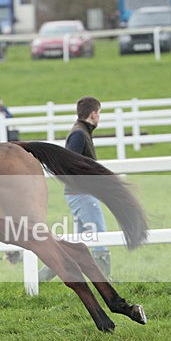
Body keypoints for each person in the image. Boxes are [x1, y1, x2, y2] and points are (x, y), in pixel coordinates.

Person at [39, 96, 111, 281]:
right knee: (99, 239)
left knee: (75, 245)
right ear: (93, 114)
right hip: (82, 194)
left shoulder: (81, 131)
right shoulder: (79, 134)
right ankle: (106, 283)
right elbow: (69, 163)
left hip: (79, 194)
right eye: (99, 113)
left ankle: (39, 279)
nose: (99, 117)